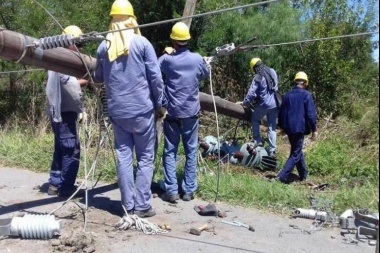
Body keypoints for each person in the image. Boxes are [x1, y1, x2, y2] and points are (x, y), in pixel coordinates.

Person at [93, 0, 164, 218]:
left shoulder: (103, 46)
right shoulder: (142, 44)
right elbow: (156, 78)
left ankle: (127, 206)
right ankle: (142, 206)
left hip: (117, 113)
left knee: (123, 157)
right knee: (144, 158)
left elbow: (97, 77)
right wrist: (160, 105)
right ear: (131, 19)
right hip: (142, 111)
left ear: (112, 19)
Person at [159, 22, 209, 202]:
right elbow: (205, 73)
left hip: (172, 113)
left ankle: (171, 190)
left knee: (170, 151)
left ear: (173, 41)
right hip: (191, 114)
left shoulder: (167, 60)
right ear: (187, 40)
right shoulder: (197, 59)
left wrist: (165, 54)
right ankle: (188, 190)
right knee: (191, 151)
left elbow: (154, 71)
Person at [46, 25, 90, 197]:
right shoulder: (62, 60)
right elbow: (69, 85)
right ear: (70, 41)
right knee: (71, 149)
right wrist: (87, 80)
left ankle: (54, 184)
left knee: (60, 148)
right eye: (78, 44)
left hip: (57, 112)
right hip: (63, 113)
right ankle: (66, 188)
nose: (80, 48)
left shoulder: (55, 57)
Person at [277, 71, 317, 183]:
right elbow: (311, 114)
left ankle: (303, 175)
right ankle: (282, 176)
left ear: (295, 82)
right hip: (299, 128)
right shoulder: (306, 95)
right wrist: (314, 130)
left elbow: (281, 113)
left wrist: (281, 127)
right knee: (295, 153)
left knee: (296, 150)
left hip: (289, 129)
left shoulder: (287, 95)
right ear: (305, 83)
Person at [238, 58, 279, 158]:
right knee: (272, 127)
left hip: (264, 104)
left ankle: (258, 141)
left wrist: (245, 103)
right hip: (275, 104)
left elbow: (251, 93)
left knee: (255, 119)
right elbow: (276, 87)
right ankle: (272, 151)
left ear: (254, 68)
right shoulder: (272, 71)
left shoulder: (258, 77)